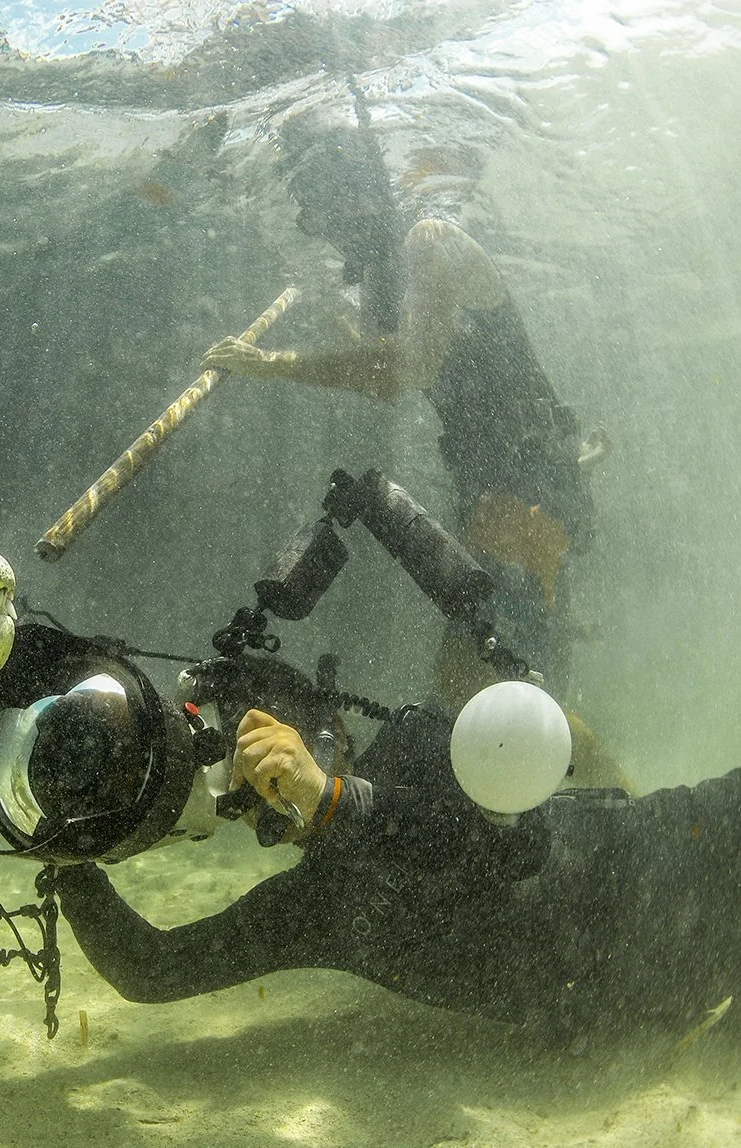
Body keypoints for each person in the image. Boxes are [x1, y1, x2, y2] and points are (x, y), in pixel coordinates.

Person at [43, 575, 741, 1042]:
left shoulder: (417, 744)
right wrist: (66, 850)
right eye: (248, 794)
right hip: (660, 977)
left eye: (270, 746)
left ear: (317, 725)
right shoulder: (315, 906)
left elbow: (502, 853)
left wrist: (332, 801)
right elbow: (153, 968)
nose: (259, 794)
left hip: (675, 835)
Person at [203, 107, 625, 787]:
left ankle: (624, 820)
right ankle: (588, 816)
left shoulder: (427, 242)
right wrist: (334, 320)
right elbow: (380, 372)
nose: (327, 234)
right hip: (494, 490)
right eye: (316, 220)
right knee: (486, 689)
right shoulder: (380, 277)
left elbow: (406, 368)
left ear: (361, 193)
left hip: (531, 486)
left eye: (328, 213)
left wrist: (270, 362)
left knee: (499, 694)